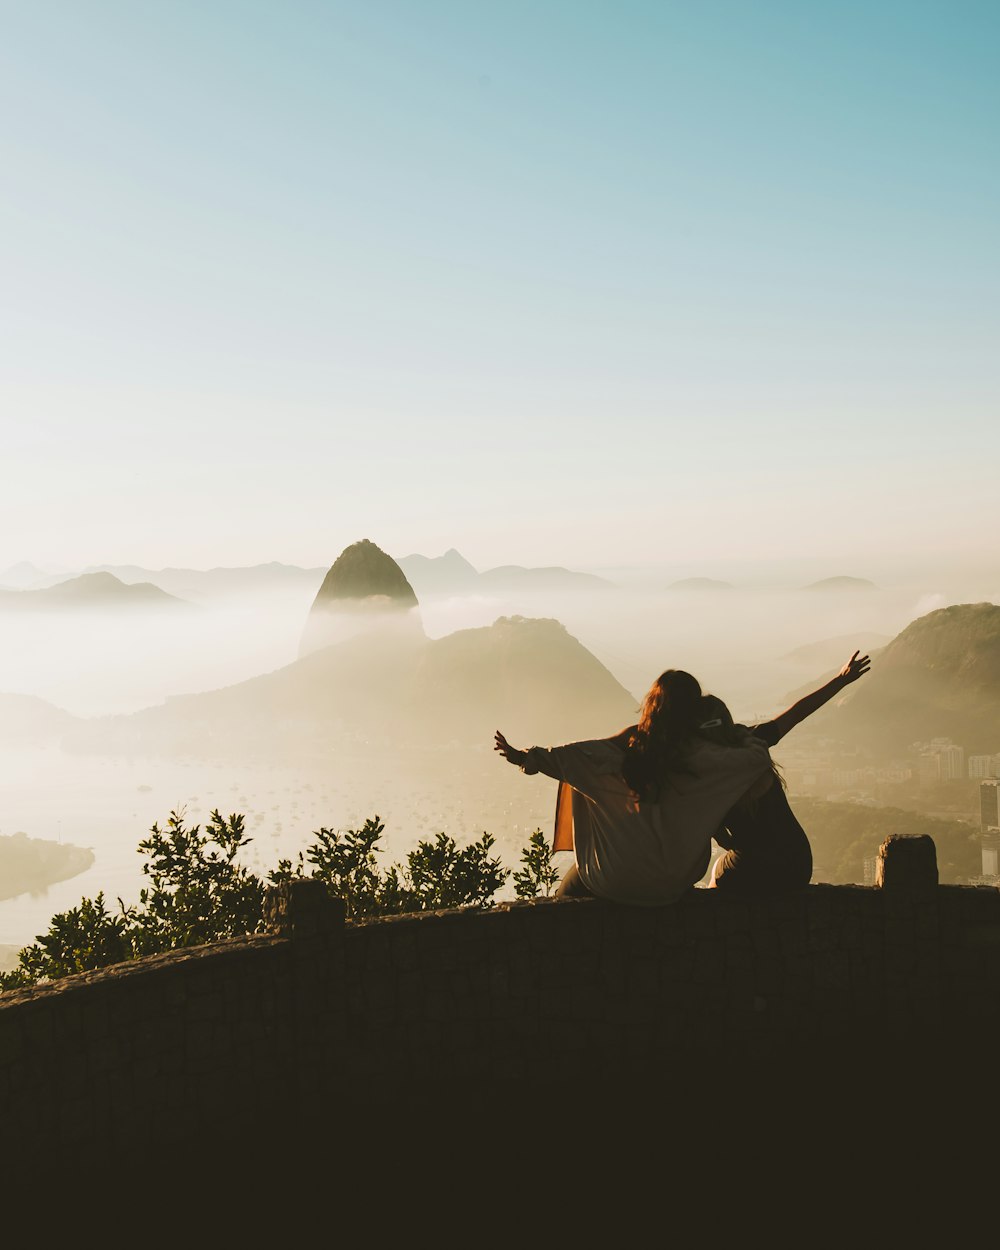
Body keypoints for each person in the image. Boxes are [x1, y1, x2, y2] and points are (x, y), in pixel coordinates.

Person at [494, 669, 775, 905]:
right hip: (675, 884)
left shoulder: (613, 758)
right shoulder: (708, 761)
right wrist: (737, 733)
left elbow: (565, 758)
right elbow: (757, 757)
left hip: (613, 881)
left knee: (565, 894)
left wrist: (522, 756)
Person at [705, 650, 870, 894]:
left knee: (718, 868)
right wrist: (840, 679)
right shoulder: (752, 741)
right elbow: (796, 713)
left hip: (754, 866)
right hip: (798, 863)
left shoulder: (702, 772)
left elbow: (723, 840)